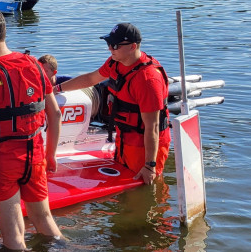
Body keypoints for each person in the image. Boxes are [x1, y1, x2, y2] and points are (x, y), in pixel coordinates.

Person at [0, 8, 62, 250]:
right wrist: (50, 155)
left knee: (15, 237)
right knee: (45, 221)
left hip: (0, 163)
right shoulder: (35, 65)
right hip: (34, 156)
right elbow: (55, 113)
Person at [54, 23, 170, 185]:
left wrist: (150, 166)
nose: (110, 48)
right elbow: (91, 78)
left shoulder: (148, 80)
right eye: (109, 43)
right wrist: (56, 89)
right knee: (125, 186)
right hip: (124, 139)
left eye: (115, 45)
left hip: (144, 146)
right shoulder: (115, 62)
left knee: (144, 185)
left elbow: (153, 126)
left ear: (132, 47)